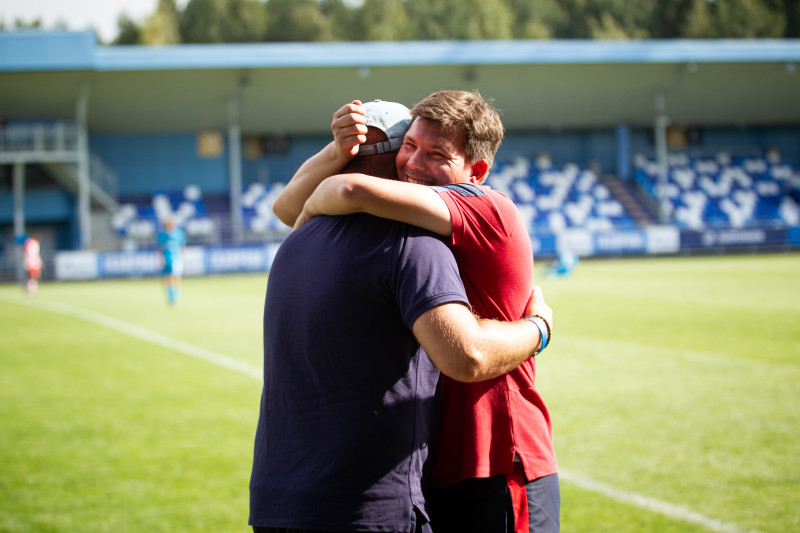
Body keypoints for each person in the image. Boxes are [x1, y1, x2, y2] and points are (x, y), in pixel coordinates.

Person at [250, 100, 554, 533]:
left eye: (437, 154)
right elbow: (287, 207)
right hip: (438, 464)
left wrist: (539, 329)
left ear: (477, 171)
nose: (413, 163)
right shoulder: (419, 227)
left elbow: (349, 191)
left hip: (499, 455)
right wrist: (337, 150)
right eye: (409, 146)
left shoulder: (489, 207)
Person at [156, 218, 185, 306]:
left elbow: (182, 247)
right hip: (166, 259)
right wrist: (160, 259)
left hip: (176, 259)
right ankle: (169, 294)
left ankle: (175, 295)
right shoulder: (162, 234)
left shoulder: (179, 233)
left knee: (175, 277)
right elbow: (159, 248)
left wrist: (183, 259)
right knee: (167, 277)